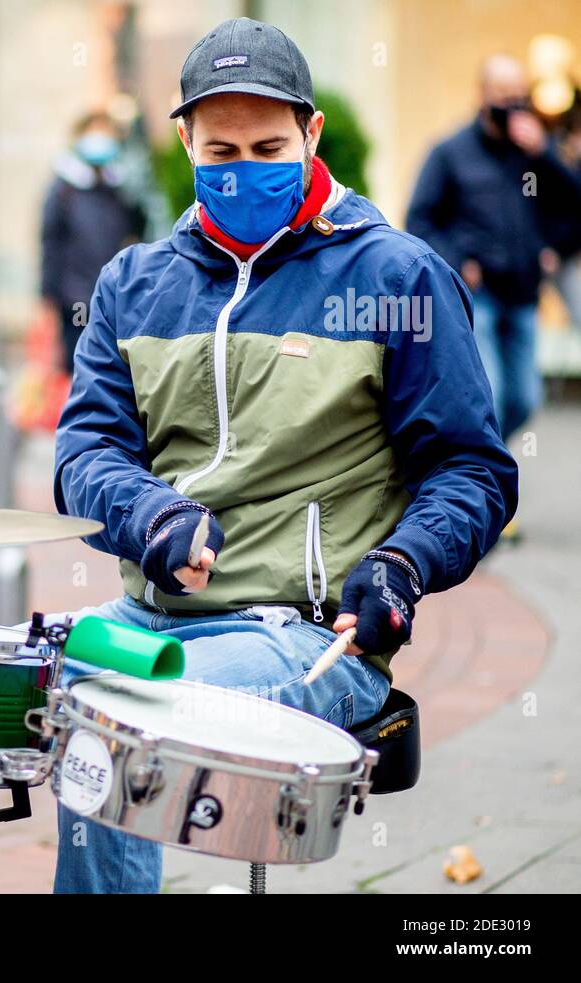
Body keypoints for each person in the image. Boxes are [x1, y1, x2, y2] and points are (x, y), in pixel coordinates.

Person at [47, 16, 517, 893]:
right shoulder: (133, 283)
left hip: (301, 635)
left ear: (312, 133)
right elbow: (85, 453)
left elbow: (473, 469)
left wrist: (405, 564)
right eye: (220, 148)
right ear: (182, 140)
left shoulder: (397, 277)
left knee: (108, 715)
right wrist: (150, 515)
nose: (245, 168)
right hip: (145, 622)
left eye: (270, 145)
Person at [407, 55, 581, 442]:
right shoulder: (450, 153)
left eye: (520, 94)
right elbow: (419, 220)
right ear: (483, 95)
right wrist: (458, 262)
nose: (513, 103)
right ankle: (482, 481)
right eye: (504, 94)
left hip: (524, 291)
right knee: (493, 397)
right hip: (478, 295)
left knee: (524, 399)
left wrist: (545, 155)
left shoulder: (534, 153)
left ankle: (479, 464)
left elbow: (572, 202)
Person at [41, 112, 145, 372]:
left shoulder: (121, 186)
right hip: (74, 297)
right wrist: (46, 296)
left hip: (113, 297)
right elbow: (50, 242)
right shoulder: (64, 188)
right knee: (76, 368)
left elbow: (137, 229)